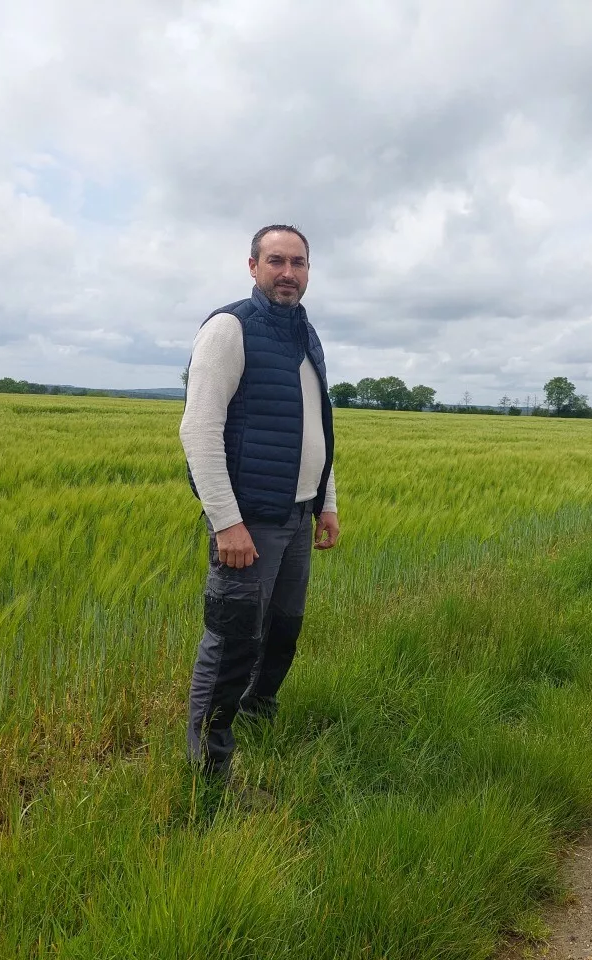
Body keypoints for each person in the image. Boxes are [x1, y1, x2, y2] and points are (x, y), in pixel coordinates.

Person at [179, 223, 340, 780]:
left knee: (282, 628)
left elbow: (317, 425)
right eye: (276, 261)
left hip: (297, 515)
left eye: (298, 263)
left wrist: (326, 501)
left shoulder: (306, 335)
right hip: (249, 522)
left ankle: (259, 717)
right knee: (232, 636)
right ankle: (210, 769)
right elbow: (199, 429)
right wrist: (226, 523)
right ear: (253, 267)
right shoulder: (230, 329)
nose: (288, 273)